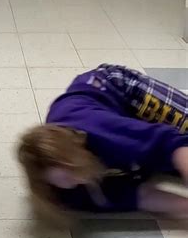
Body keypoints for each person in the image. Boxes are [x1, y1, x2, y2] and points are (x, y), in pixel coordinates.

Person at [18, 64, 188, 219]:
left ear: (78, 151)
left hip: (111, 86)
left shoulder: (102, 133)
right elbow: (141, 196)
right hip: (107, 126)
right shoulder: (67, 194)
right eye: (67, 182)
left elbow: (171, 143)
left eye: (73, 172)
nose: (77, 182)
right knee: (153, 158)